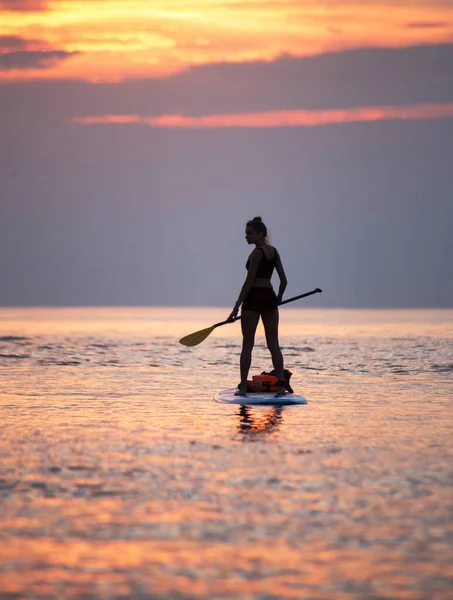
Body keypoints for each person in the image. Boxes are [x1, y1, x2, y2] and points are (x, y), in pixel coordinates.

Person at [228, 216, 288, 397]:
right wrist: (278, 298)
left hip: (253, 300)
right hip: (269, 299)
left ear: (261, 233)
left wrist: (236, 307)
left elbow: (248, 282)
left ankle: (244, 388)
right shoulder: (274, 252)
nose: (246, 237)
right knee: (274, 345)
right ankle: (281, 387)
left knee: (247, 345)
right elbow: (284, 281)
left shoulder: (256, 254)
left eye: (249, 233)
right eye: (246, 233)